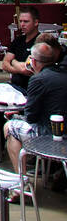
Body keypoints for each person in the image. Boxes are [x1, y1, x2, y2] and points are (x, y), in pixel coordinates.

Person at [5, 41, 67, 171]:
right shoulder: (63, 73)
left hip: (52, 134)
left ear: (33, 61)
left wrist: (17, 116)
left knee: (10, 127)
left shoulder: (38, 80)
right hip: (61, 129)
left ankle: (21, 182)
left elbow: (31, 116)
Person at [3, 7, 41, 91]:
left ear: (36, 22)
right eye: (20, 21)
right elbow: (5, 64)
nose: (22, 24)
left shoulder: (40, 42)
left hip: (30, 88)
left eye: (26, 21)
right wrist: (19, 69)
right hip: (14, 87)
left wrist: (13, 61)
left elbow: (27, 70)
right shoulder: (18, 40)